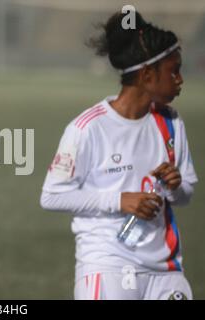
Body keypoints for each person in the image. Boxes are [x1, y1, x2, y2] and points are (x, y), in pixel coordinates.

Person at [40, 12, 198, 300]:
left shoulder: (171, 122)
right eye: (173, 71)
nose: (180, 80)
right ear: (147, 74)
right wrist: (120, 200)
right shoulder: (87, 128)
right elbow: (52, 196)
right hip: (108, 266)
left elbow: (185, 194)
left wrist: (176, 185)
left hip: (166, 271)